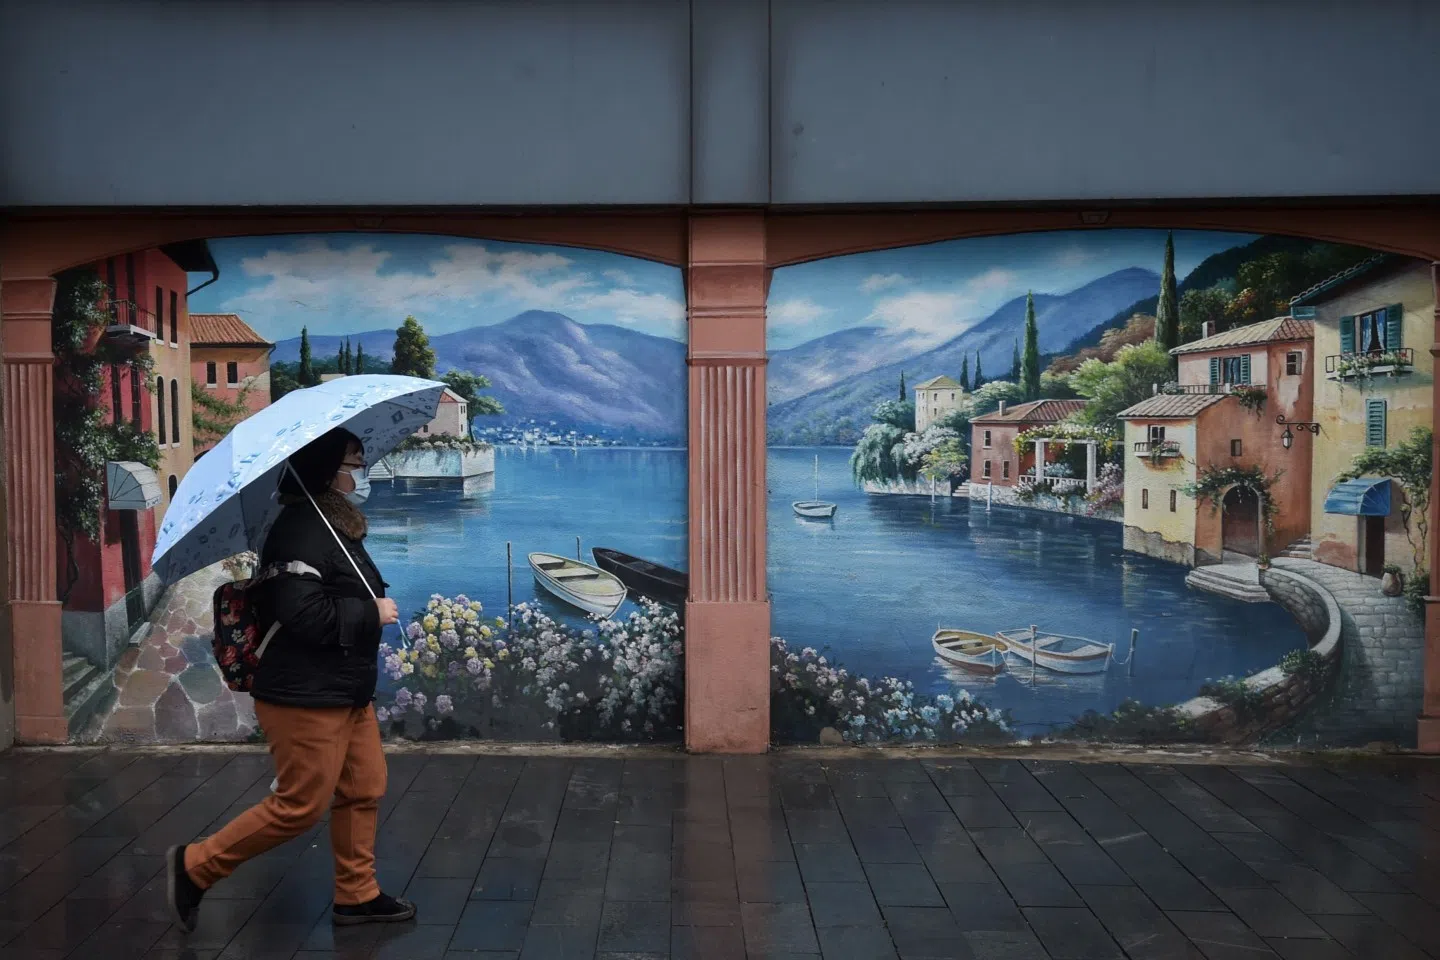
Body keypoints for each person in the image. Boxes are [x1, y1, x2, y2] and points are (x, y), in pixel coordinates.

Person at [167, 428, 415, 932]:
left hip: (344, 688)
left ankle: (357, 894)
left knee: (363, 787)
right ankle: (195, 866)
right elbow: (300, 614)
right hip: (305, 694)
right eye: (352, 463)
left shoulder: (334, 527)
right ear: (325, 469)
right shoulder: (301, 531)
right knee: (299, 807)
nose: (358, 473)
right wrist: (370, 612)